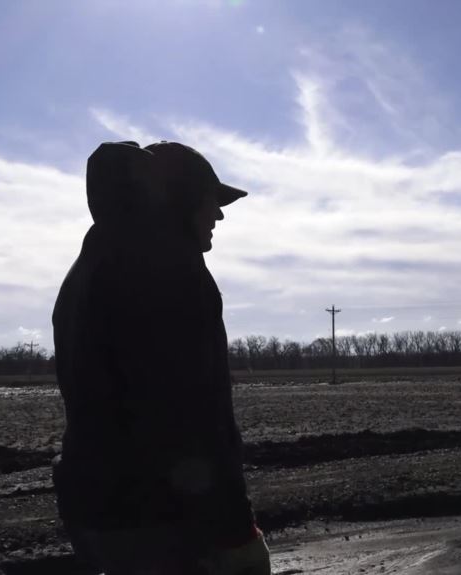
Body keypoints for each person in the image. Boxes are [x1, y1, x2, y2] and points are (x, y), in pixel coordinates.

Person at [51, 140, 271, 574]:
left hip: (96, 510)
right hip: (160, 518)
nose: (220, 214)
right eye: (212, 200)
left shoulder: (90, 264)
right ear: (183, 199)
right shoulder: (170, 268)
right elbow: (189, 414)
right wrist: (234, 531)